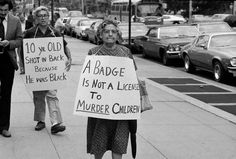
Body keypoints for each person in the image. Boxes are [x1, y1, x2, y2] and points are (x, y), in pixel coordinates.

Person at [86, 20, 137, 159]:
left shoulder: (126, 52)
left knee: (119, 143)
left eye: (113, 32)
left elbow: (133, 78)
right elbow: (88, 79)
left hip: (120, 108)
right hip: (100, 108)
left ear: (118, 35)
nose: (110, 34)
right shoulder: (93, 53)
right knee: (99, 143)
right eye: (106, 31)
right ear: (100, 35)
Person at [24, 6, 72, 134]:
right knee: (38, 96)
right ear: (36, 18)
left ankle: (55, 122)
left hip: (52, 71)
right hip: (36, 70)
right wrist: (24, 65)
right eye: (40, 16)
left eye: (45, 15)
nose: (43, 18)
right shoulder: (30, 33)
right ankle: (40, 121)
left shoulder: (54, 32)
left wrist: (69, 58)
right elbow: (24, 49)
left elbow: (64, 46)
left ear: (48, 17)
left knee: (52, 95)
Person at [0, 0, 23, 137]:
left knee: (6, 94)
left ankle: (4, 126)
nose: (2, 13)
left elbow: (20, 40)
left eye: (5, 10)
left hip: (8, 61)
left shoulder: (16, 21)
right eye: (0, 10)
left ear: (9, 9)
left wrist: (9, 43)